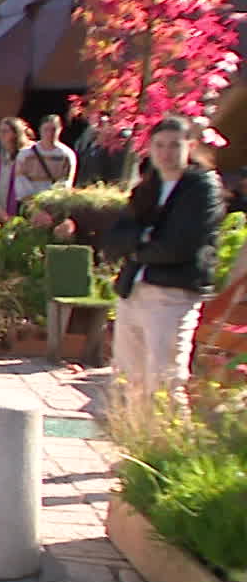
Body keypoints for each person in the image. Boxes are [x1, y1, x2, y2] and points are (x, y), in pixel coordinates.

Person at [105, 115, 225, 402]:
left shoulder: (202, 188)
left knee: (164, 382)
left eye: (174, 145)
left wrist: (137, 246)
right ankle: (134, 442)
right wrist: (142, 241)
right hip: (133, 290)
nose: (166, 153)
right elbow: (114, 240)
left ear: (189, 147)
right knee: (129, 380)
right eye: (159, 145)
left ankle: (164, 445)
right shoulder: (148, 187)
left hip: (172, 295)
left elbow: (179, 246)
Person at [14, 113, 77, 208]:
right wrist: (30, 200)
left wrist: (52, 198)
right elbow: (20, 180)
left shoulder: (66, 154)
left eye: (54, 129)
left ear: (60, 130)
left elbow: (66, 181)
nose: (50, 133)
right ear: (40, 130)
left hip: (54, 204)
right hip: (29, 204)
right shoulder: (25, 154)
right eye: (46, 129)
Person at [0, 116, 34, 221]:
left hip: (19, 214)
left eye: (5, 131)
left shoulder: (28, 157)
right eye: (0, 131)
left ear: (16, 134)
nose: (1, 135)